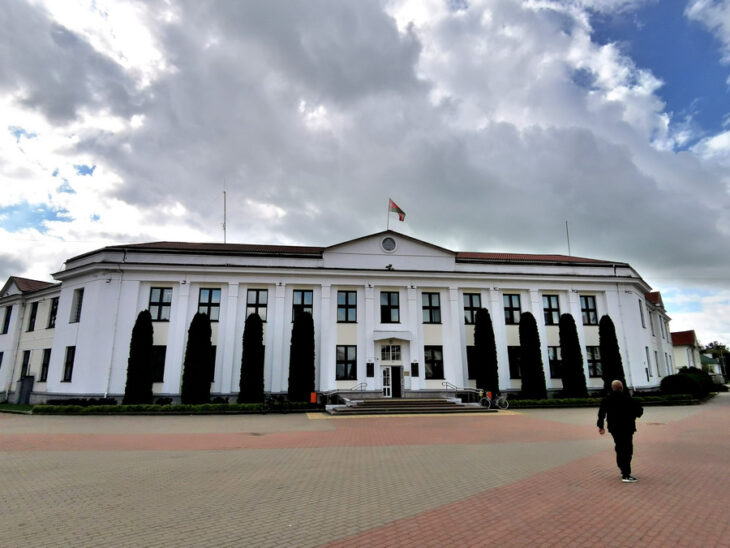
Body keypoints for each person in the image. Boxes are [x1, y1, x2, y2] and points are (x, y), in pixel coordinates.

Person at [597, 380, 644, 483]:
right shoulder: (628, 399)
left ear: (613, 388)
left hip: (614, 428)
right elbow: (639, 412)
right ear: (621, 387)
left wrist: (601, 426)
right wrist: (633, 415)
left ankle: (622, 468)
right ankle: (626, 474)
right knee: (627, 449)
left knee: (619, 447)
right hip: (627, 427)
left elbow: (601, 413)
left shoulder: (607, 399)